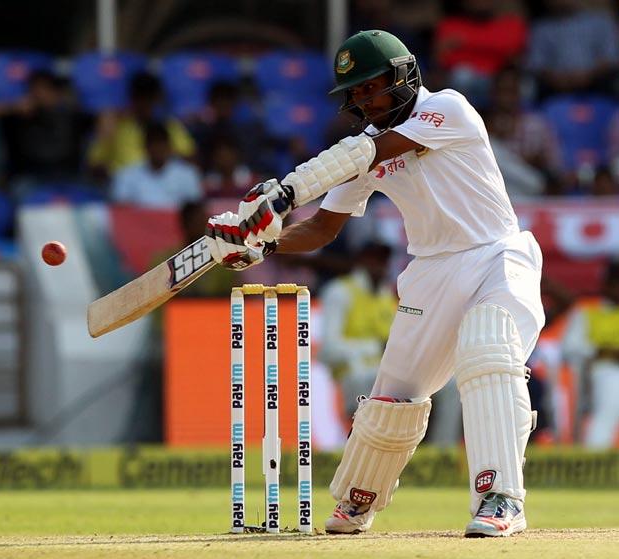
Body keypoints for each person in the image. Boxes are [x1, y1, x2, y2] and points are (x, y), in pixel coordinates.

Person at [205, 30, 544, 537]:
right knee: (395, 397)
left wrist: (282, 194)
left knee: (489, 347)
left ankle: (499, 499)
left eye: (374, 87)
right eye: (357, 93)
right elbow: (322, 228)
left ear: (404, 77)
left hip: (497, 253)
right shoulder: (363, 149)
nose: (366, 100)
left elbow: (371, 152)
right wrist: (262, 247)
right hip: (430, 271)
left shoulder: (448, 109)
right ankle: (358, 499)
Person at [318, 241, 398, 420]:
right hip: (352, 368)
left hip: (384, 369)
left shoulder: (386, 295)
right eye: (374, 259)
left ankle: (439, 447)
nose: (380, 266)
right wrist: (375, 347)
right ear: (361, 261)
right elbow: (328, 350)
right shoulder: (339, 291)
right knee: (363, 377)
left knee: (446, 385)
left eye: (384, 260)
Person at [561, 260, 619, 449]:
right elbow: (570, 348)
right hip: (602, 369)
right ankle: (595, 455)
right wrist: (599, 351)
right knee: (612, 385)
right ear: (608, 284)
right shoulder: (588, 311)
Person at [111, 123, 202, 210]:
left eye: (161, 143)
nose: (158, 148)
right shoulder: (126, 175)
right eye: (153, 144)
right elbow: (121, 210)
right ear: (145, 147)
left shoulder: (188, 174)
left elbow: (194, 210)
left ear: (169, 146)